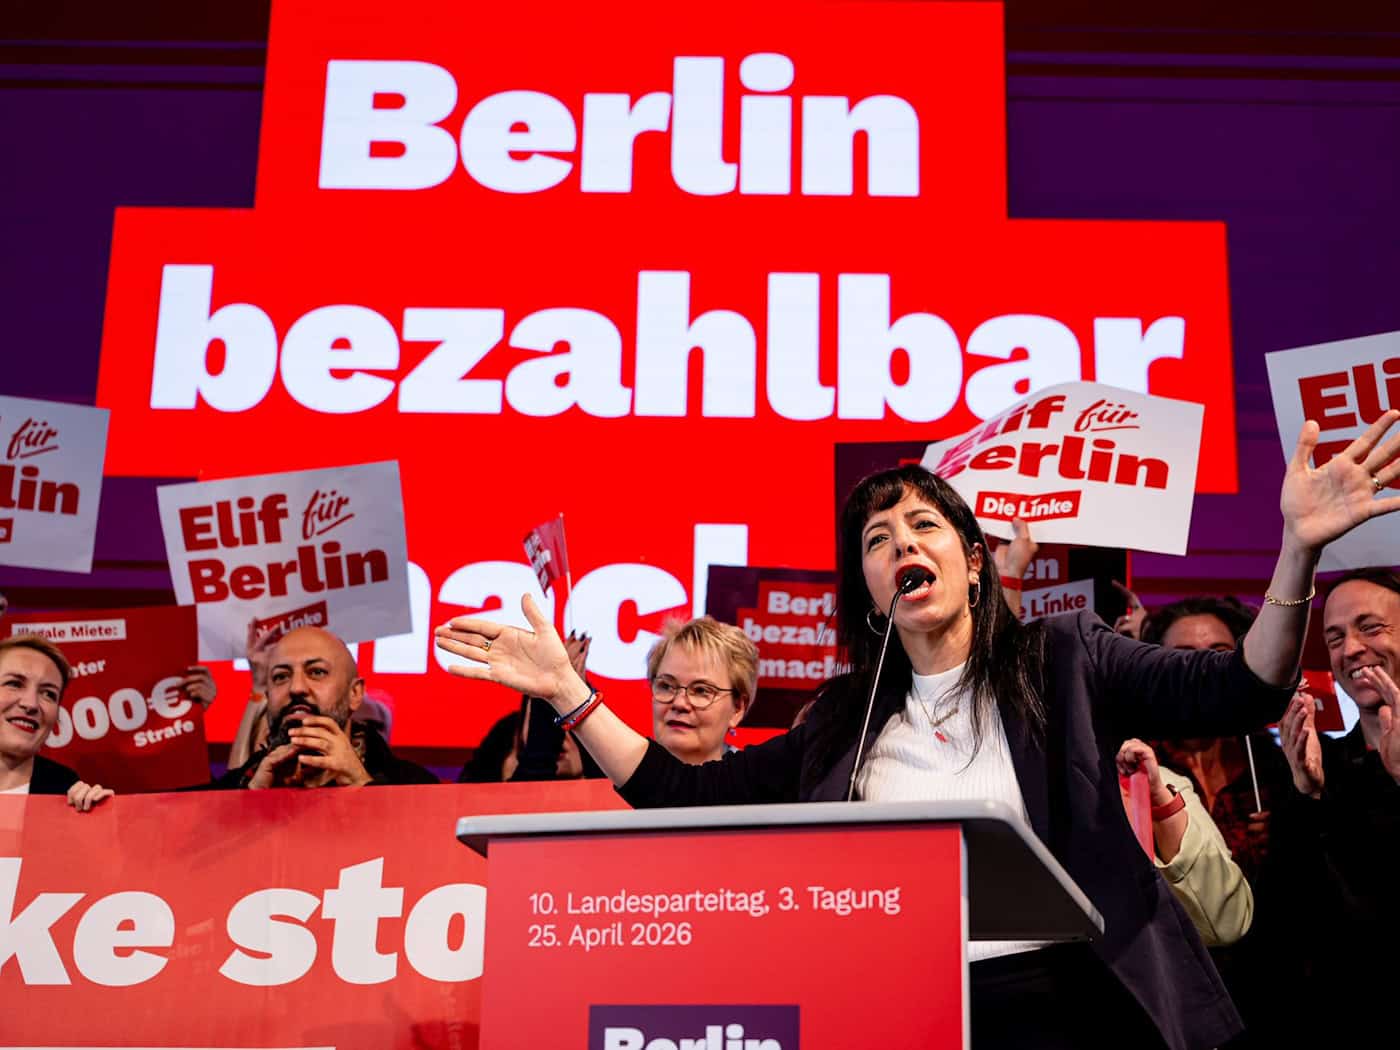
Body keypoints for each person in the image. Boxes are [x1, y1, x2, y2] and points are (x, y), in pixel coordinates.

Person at [435, 412, 1400, 1050]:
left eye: (924, 527)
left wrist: (1297, 550)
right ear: (868, 589)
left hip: (1071, 1005)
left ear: (974, 564)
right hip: (897, 1012)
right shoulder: (842, 725)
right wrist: (568, 690)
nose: (902, 545)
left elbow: (1239, 688)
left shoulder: (1068, 658)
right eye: (878, 539)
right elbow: (678, 791)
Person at [996, 524, 1254, 948]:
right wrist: (1009, 583)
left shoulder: (1268, 762)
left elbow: (1232, 919)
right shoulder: (1124, 761)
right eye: (1182, 660)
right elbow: (1010, 694)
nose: (1199, 671)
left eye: (1218, 658)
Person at [1269, 566, 1400, 1040]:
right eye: (1335, 637)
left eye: (1371, 628)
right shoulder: (1320, 765)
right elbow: (1291, 923)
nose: (1352, 649)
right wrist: (1308, 798)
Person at [214, 626, 437, 789]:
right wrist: (248, 807)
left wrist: (362, 785)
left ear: (355, 693)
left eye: (317, 672)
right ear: (268, 695)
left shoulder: (415, 788)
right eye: (281, 676)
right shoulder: (233, 793)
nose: (297, 688)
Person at [0, 634, 113, 810]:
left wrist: (100, 823)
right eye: (14, 683)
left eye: (49, 694)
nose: (31, 704)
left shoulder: (66, 792)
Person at [647, 617, 756, 765]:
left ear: (737, 709)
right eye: (666, 686)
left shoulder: (757, 785)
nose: (679, 703)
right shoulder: (615, 776)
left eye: (701, 690)